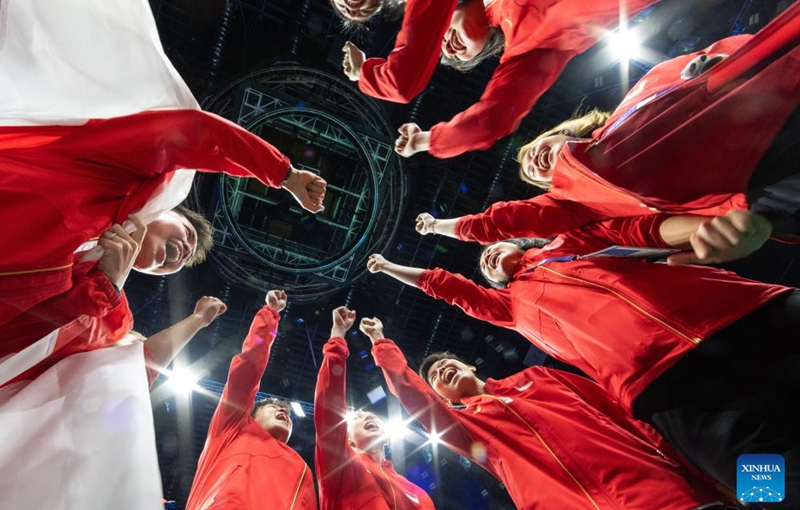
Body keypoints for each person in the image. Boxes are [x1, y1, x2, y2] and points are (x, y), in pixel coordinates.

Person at [366, 211, 800, 496]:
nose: (489, 256)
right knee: (760, 481)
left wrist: (715, 227)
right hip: (665, 388)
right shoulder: (512, 309)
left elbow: (642, 230)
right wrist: (388, 270)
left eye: (492, 250)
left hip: (741, 313)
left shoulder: (571, 245)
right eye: (482, 265)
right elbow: (447, 287)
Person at [416, 4, 800, 251]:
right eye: (532, 173)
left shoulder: (638, 93)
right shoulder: (574, 202)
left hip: (773, 88)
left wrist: (705, 70)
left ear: (566, 130)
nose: (532, 159)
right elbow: (503, 221)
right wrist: (439, 226)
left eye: (534, 146)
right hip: (762, 169)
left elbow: (718, 55)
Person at [0, 109, 327, 345]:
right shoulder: (112, 176)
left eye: (180, 262)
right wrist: (284, 175)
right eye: (187, 234)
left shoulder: (94, 299)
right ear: (165, 206)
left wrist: (108, 284)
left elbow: (16, 339)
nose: (183, 252)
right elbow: (193, 131)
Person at [360, 316, 735, 510]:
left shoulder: (537, 378)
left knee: (777, 482)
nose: (442, 371)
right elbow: (411, 394)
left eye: (448, 364)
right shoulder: (469, 430)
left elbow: (620, 415)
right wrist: (380, 342)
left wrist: (703, 475)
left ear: (471, 367)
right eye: (436, 378)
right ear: (442, 397)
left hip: (666, 495)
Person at [363, 0, 659, 159]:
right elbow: (490, 121)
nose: (447, 47)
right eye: (452, 57)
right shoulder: (525, 52)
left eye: (438, 37)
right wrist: (426, 141)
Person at [185, 290, 317, 510]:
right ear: (251, 416)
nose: (284, 413)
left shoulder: (302, 468)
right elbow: (246, 371)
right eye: (273, 407)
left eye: (286, 413)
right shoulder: (232, 430)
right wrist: (270, 313)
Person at [315, 306, 436, 510]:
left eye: (373, 416)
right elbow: (328, 404)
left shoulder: (419, 494)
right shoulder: (339, 465)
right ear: (347, 439)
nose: (369, 417)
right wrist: (337, 334)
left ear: (388, 438)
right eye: (359, 417)